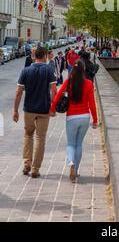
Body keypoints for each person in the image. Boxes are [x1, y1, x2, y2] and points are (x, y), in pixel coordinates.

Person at [50, 59, 98, 182]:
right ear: (83, 70)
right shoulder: (88, 84)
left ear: (73, 69)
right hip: (85, 117)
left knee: (71, 144)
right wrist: (95, 119)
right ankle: (75, 170)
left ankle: (70, 163)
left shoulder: (68, 82)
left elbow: (58, 95)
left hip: (71, 117)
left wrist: (52, 108)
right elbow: (92, 103)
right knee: (79, 144)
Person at [13, 46, 57, 178]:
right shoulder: (49, 70)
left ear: (34, 56)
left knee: (28, 135)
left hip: (29, 109)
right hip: (44, 109)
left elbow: (19, 92)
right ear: (44, 56)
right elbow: (54, 90)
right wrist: (53, 107)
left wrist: (15, 110)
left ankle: (27, 164)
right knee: (40, 138)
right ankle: (35, 169)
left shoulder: (25, 71)